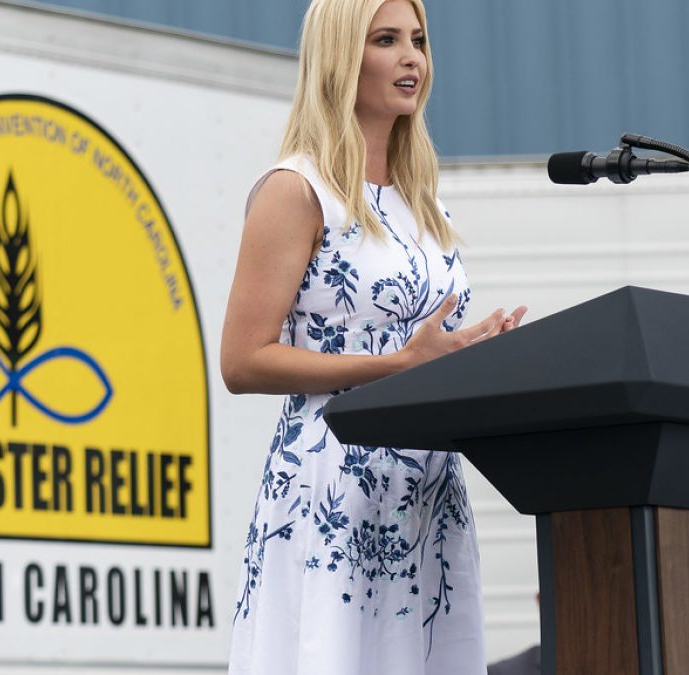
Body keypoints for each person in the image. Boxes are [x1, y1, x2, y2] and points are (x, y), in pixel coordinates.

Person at [220, 0, 525, 673]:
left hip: (424, 490)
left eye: (418, 39)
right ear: (340, 58)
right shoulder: (295, 190)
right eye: (386, 40)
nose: (412, 57)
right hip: (334, 483)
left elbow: (421, 344)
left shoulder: (427, 204)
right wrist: (398, 365)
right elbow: (242, 360)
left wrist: (469, 349)